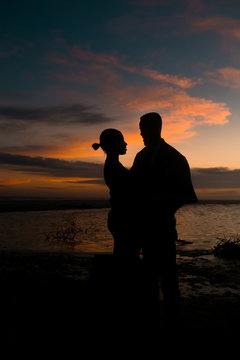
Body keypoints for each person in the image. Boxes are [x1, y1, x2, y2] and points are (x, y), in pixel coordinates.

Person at [131, 112, 198, 310]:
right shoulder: (141, 156)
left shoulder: (175, 157)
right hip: (142, 227)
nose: (140, 132)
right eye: (140, 128)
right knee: (147, 275)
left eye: (143, 127)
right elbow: (132, 186)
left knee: (168, 275)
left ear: (155, 128)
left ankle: (171, 314)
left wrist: (161, 208)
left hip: (163, 228)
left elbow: (186, 194)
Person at [92, 128, 138, 262]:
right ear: (113, 145)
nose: (126, 144)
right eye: (122, 141)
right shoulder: (114, 167)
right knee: (127, 258)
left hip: (119, 217)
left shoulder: (113, 165)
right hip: (123, 218)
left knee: (123, 255)